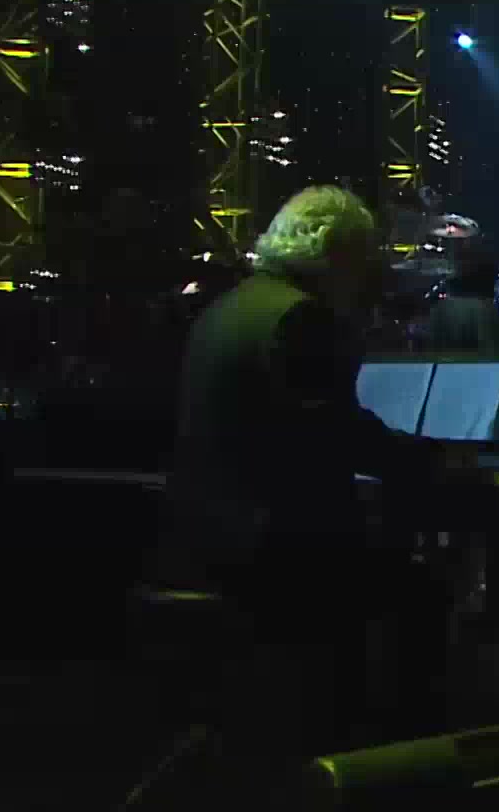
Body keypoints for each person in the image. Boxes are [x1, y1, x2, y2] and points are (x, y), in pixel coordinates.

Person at [160, 185, 450, 756]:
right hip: (277, 554)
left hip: (201, 538)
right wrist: (433, 461)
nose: (369, 276)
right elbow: (342, 436)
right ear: (337, 255)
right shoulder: (301, 317)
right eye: (365, 258)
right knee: (420, 589)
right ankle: (386, 758)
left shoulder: (226, 308)